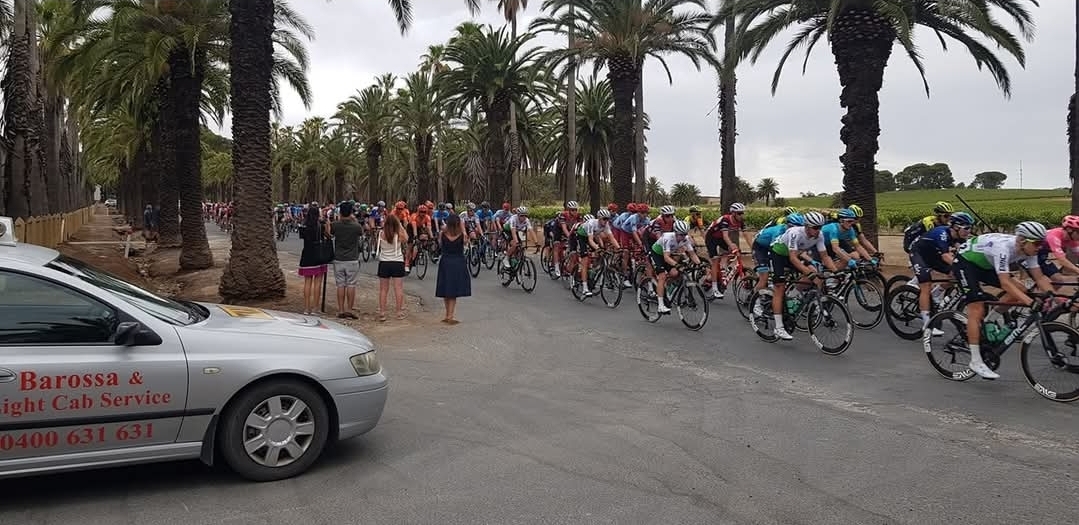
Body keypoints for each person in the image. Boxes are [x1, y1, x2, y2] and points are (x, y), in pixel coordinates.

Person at [953, 221, 1054, 379]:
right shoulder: (1003, 248)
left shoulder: (1030, 250)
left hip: (986, 265)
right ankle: (975, 360)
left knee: (1021, 290)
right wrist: (1030, 303)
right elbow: (1005, 283)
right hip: (966, 263)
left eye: (1042, 243)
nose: (1039, 247)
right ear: (1022, 241)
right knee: (976, 307)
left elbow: (1039, 277)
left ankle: (989, 320)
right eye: (1037, 243)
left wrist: (1053, 296)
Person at [435, 213, 471, 324]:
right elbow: (466, 244)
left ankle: (447, 314)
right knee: (453, 290)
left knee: (446, 289)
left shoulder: (443, 234)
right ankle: (450, 315)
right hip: (458, 262)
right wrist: (463, 230)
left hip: (446, 261)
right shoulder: (462, 235)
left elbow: (440, 245)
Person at [331, 201, 363, 319]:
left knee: (340, 284)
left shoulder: (335, 225)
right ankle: (350, 309)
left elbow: (329, 233)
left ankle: (340, 309)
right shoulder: (356, 226)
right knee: (351, 284)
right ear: (351, 212)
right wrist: (353, 219)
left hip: (339, 258)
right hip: (352, 259)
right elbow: (361, 232)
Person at [298, 204, 329, 315]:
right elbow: (328, 235)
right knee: (317, 283)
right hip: (318, 255)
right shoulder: (320, 225)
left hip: (306, 254)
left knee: (307, 282)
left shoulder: (304, 225)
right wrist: (325, 220)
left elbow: (302, 237)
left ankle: (306, 308)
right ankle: (316, 308)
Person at [377, 213, 409, 321]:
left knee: (383, 290)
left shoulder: (381, 233)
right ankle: (399, 312)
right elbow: (406, 239)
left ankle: (382, 312)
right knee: (398, 289)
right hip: (397, 262)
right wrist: (400, 225)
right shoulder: (398, 234)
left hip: (384, 262)